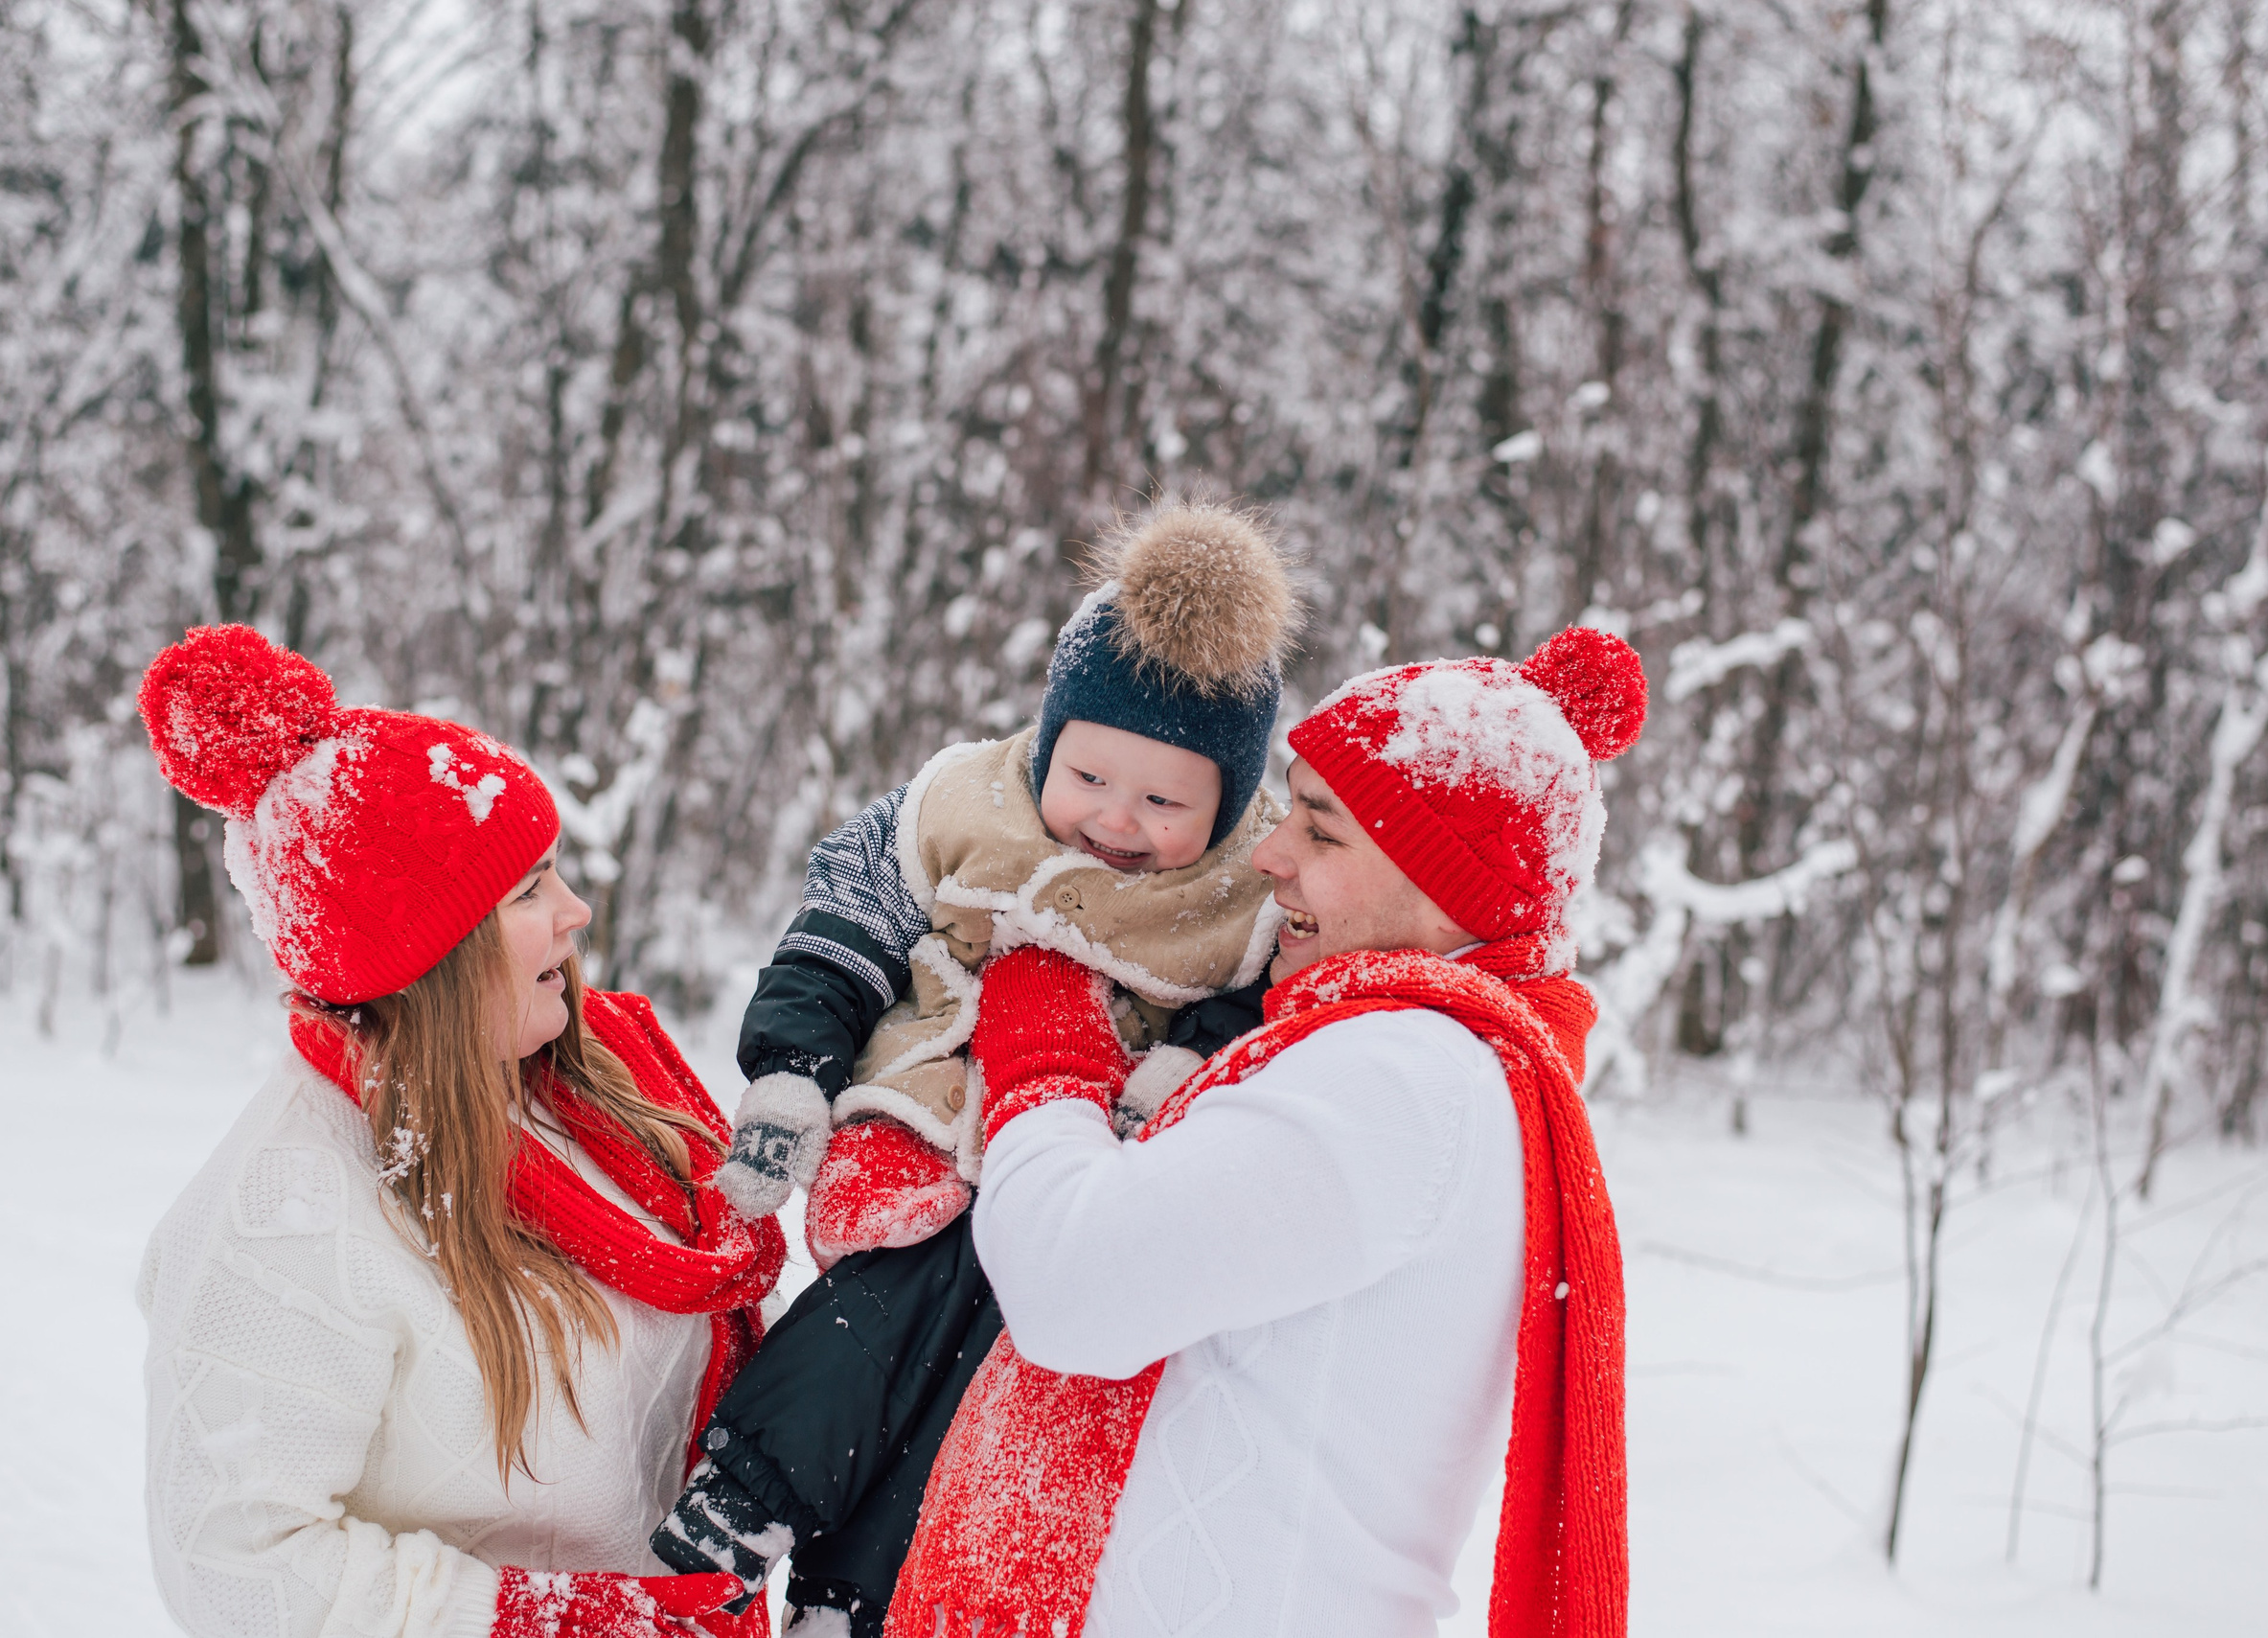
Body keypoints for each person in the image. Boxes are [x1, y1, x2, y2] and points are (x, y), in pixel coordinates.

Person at [886, 627, 1646, 1638]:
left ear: (1446, 894)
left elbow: (1076, 1285)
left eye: (1323, 833)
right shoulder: (1440, 1066)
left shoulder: (1403, 1074)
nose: (1273, 855)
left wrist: (1048, 1060)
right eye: (1288, 809)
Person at [648, 497, 1302, 1630]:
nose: (1117, 820)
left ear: (1229, 803)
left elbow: (1258, 1005)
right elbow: (846, 918)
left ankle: (855, 1596)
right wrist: (794, 1065)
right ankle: (742, 1498)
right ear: (1048, 743)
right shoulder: (963, 804)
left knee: (982, 1396)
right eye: (1090, 776)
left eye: (1164, 801)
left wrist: (1178, 1071)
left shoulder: (1247, 889)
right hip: (923, 1122)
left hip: (1077, 1168)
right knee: (874, 1316)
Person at [132, 626, 784, 1638]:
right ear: (428, 953)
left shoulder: (601, 1080)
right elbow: (232, 1563)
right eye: (527, 890)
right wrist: (555, 1620)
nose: (574, 911)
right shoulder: (286, 1214)